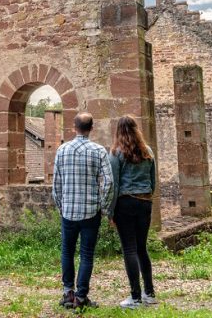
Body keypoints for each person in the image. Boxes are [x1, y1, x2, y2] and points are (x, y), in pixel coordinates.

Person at [52, 112, 114, 309]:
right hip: (90, 212)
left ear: (73, 127)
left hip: (68, 211)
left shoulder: (62, 150)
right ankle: (81, 297)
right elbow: (109, 182)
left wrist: (61, 206)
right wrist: (103, 206)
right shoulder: (99, 151)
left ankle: (68, 293)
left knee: (67, 252)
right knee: (86, 254)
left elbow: (56, 184)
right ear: (91, 128)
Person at [107, 115, 157, 309]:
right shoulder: (148, 151)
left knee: (129, 249)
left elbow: (114, 184)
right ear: (136, 129)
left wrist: (110, 212)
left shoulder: (116, 152)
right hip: (145, 202)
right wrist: (146, 197)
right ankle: (150, 293)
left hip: (125, 203)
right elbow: (153, 181)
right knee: (142, 248)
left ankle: (135, 297)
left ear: (118, 131)